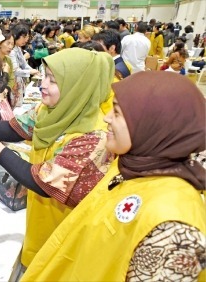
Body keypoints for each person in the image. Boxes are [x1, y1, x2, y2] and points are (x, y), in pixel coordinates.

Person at [22, 71, 206, 281]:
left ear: (153, 123)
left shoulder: (174, 229)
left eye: (117, 112)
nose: (107, 117)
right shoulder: (128, 167)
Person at [0, 48, 115, 268]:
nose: (43, 84)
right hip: (42, 219)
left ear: (77, 87)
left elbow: (45, 181)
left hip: (69, 230)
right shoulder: (50, 110)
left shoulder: (94, 137)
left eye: (53, 81)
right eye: (45, 76)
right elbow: (15, 129)